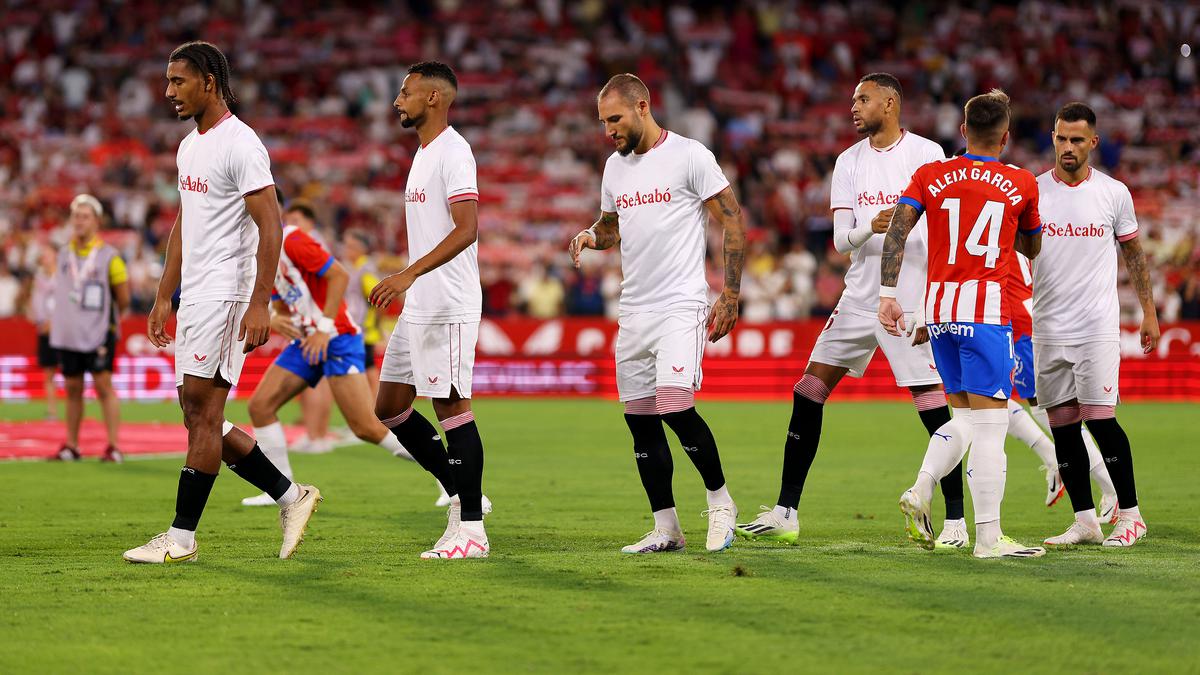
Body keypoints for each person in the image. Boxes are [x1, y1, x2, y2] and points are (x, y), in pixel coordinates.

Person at [734, 74, 954, 546]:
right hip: (858, 297)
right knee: (808, 389)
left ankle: (955, 523)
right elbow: (839, 241)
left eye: (863, 99)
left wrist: (936, 297)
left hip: (909, 297)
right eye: (852, 99)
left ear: (890, 103)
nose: (853, 107)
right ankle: (785, 512)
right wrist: (870, 228)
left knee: (933, 405)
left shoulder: (927, 154)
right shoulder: (847, 162)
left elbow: (942, 232)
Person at [124, 41, 319, 564]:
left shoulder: (242, 143)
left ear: (210, 81)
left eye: (178, 81)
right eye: (167, 81)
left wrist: (259, 303)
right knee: (195, 413)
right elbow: (185, 224)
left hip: (229, 294)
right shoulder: (190, 146)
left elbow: (271, 224)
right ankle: (291, 494)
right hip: (197, 296)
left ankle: (181, 537)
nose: (168, 92)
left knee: (204, 413)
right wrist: (165, 295)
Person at [569, 73, 746, 554]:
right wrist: (590, 235)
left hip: (680, 303)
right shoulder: (614, 167)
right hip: (634, 308)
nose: (609, 130)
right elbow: (612, 227)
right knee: (640, 419)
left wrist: (730, 294)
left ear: (643, 106)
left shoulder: (690, 156)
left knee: (674, 403)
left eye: (616, 118)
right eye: (604, 121)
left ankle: (721, 502)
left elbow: (732, 219)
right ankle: (666, 528)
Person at [881, 89, 1046, 559]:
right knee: (992, 429)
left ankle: (921, 486)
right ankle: (989, 540)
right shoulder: (1022, 183)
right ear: (1006, 137)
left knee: (964, 419)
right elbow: (1031, 249)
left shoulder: (931, 174)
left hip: (937, 314)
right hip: (986, 314)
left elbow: (897, 227)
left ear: (962, 131)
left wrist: (888, 295)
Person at [238, 218, 450, 507]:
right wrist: (276, 319)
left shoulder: (293, 240)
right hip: (306, 340)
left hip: (336, 336)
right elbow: (278, 301)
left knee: (367, 427)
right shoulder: (258, 251)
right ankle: (282, 492)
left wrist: (324, 328)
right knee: (260, 406)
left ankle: (448, 477)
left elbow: (339, 275)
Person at [371, 61, 491, 559]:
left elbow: (468, 229)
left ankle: (472, 531)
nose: (397, 101)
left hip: (448, 303)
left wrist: (409, 273)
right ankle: (465, 494)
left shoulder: (453, 152)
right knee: (390, 408)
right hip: (421, 303)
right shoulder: (422, 155)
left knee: (451, 409)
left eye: (406, 92)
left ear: (435, 98)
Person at [1034, 102, 1157, 548]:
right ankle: (1085, 520)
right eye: (1061, 138)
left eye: (1077, 140)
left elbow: (1134, 255)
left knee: (1102, 421)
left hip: (1095, 327)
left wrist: (1149, 311)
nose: (1068, 148)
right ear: (1053, 137)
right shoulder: (1031, 192)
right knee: (1063, 425)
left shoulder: (1113, 193)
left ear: (1093, 143)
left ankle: (1131, 515)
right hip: (1047, 326)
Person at [48, 194, 129, 463]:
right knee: (72, 387)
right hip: (69, 334)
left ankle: (114, 446)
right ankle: (71, 445)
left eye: (84, 216)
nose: (78, 221)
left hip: (98, 331)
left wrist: (109, 322)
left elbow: (124, 298)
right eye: (75, 216)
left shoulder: (110, 257)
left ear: (97, 221)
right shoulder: (63, 253)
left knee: (103, 386)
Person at [283, 201, 336, 454]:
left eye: (296, 219)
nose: (290, 225)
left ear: (310, 222)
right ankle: (315, 433)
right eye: (288, 219)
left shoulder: (308, 242)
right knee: (311, 380)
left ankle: (317, 435)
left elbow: (332, 278)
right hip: (307, 319)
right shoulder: (303, 241)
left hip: (314, 320)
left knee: (316, 381)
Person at [341, 229, 383, 398]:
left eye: (350, 246)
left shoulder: (365, 269)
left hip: (363, 330)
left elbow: (379, 298)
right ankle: (371, 410)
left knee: (368, 368)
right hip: (357, 328)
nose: (346, 250)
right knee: (365, 368)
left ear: (360, 249)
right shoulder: (355, 267)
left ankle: (375, 410)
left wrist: (374, 325)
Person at [30, 247, 59, 421]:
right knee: (48, 372)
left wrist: (55, 322)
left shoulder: (63, 277)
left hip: (62, 331)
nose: (45, 259)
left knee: (72, 372)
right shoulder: (39, 279)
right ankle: (52, 410)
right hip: (45, 331)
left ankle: (74, 409)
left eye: (47, 255)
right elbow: (36, 304)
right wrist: (41, 321)